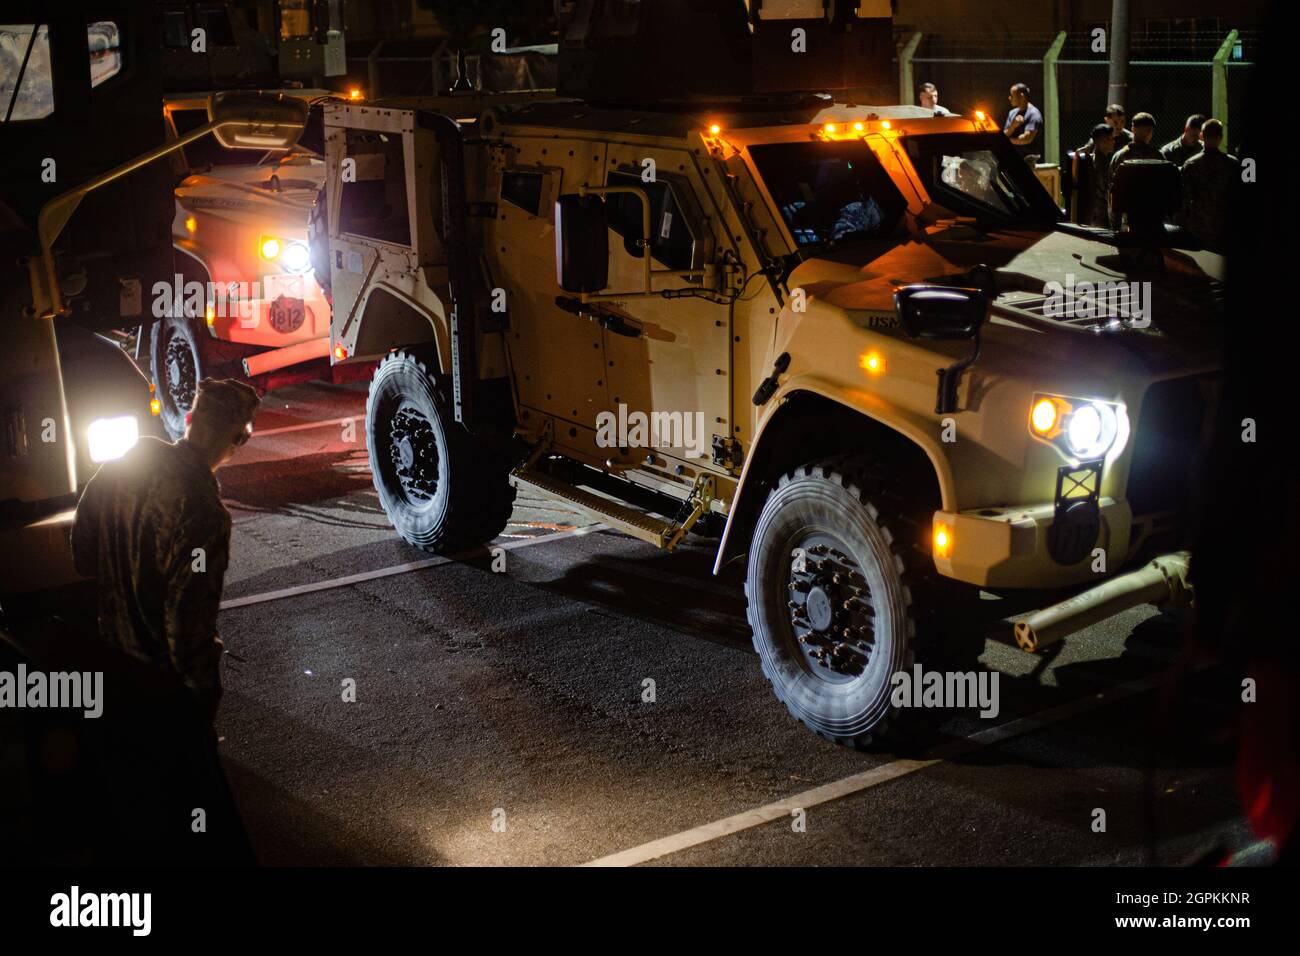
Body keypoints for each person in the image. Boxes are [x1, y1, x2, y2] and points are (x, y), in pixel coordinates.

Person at [72, 377, 259, 721]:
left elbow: (83, 552)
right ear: (238, 440)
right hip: (159, 691)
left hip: (111, 665)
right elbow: (185, 625)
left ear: (190, 419)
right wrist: (202, 699)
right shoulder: (205, 514)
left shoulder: (134, 457)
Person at [1181, 118, 1239, 252]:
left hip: (1198, 228)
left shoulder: (1191, 164)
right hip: (1224, 226)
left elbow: (1184, 198)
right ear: (1221, 138)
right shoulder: (1233, 164)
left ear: (1202, 136)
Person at [1084, 123, 1117, 228]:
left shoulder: (1095, 159)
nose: (1113, 142)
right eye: (1111, 139)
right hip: (1100, 215)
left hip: (1095, 213)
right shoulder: (1100, 163)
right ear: (1102, 142)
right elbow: (1104, 190)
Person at [1003, 82, 1043, 161]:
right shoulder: (1012, 113)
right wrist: (1012, 126)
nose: (1009, 98)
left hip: (1029, 159)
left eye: (1012, 95)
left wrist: (1008, 141)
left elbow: (1026, 139)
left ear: (1022, 96)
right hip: (1013, 156)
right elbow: (1005, 134)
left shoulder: (1033, 114)